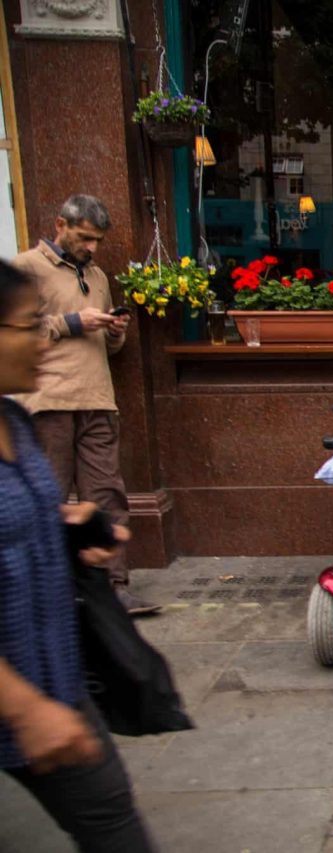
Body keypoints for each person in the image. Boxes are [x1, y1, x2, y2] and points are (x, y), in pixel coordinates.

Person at [0, 258, 156, 852]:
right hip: (19, 695)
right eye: (26, 325)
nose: (43, 337)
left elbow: (29, 511)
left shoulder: (15, 418)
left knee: (110, 815)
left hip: (53, 672)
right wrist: (24, 709)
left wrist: (72, 530)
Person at [9, 195, 159, 616]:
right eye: (85, 238)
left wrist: (114, 331)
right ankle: (44, 590)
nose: (92, 248)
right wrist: (74, 321)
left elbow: (111, 350)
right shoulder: (26, 268)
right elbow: (18, 332)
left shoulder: (96, 276)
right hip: (47, 400)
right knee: (49, 495)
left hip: (97, 398)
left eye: (97, 240)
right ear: (61, 223)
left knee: (107, 494)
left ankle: (113, 588)